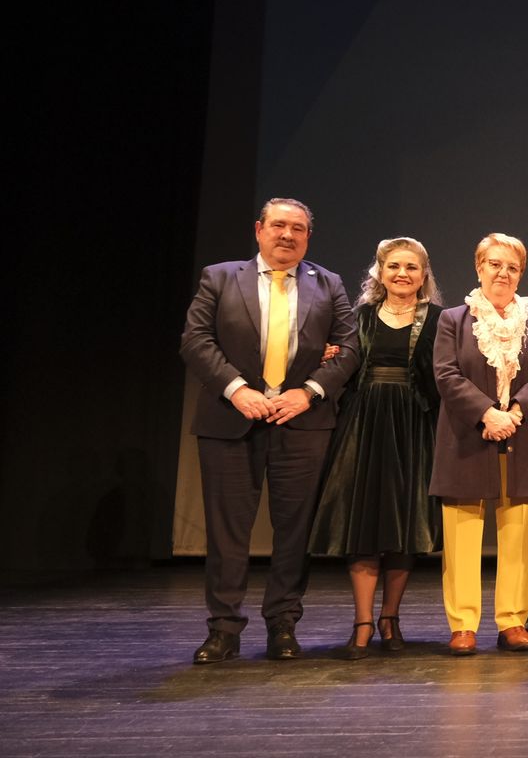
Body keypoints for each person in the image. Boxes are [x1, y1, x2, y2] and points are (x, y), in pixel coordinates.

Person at [179, 197, 358, 664]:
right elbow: (196, 340)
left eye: (298, 228)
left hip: (302, 422)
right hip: (231, 418)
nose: (287, 235)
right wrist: (237, 390)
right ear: (259, 229)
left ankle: (282, 624)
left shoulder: (329, 283)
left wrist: (310, 391)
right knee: (227, 532)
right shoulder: (220, 277)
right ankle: (223, 629)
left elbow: (350, 348)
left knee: (294, 531)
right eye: (279, 225)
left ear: (308, 237)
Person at [308, 236, 443, 659]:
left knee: (403, 525)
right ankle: (363, 622)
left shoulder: (441, 319)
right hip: (364, 424)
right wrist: (325, 355)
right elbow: (341, 365)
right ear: (380, 273)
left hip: (413, 424)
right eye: (394, 266)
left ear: (424, 276)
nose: (402, 274)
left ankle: (391, 618)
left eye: (411, 267)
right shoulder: (358, 317)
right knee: (363, 524)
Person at [429, 233, 528, 656]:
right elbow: (446, 374)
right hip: (468, 437)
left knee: (519, 534)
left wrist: (514, 413)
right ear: (479, 267)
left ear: (521, 274)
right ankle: (463, 624)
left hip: (522, 437)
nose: (503, 273)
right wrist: (488, 414)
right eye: (495, 264)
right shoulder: (453, 319)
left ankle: (513, 621)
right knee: (462, 534)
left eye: (512, 267)